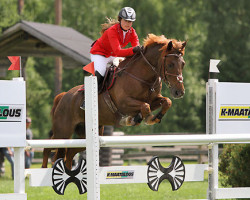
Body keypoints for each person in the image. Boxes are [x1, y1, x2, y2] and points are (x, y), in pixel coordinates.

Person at [80, 7, 142, 110]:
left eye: (130, 22)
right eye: (126, 20)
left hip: (112, 54)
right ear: (120, 19)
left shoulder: (132, 32)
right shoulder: (112, 31)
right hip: (99, 54)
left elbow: (136, 49)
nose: (128, 23)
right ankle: (87, 99)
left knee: (123, 68)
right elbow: (119, 51)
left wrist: (140, 51)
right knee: (101, 72)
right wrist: (134, 50)